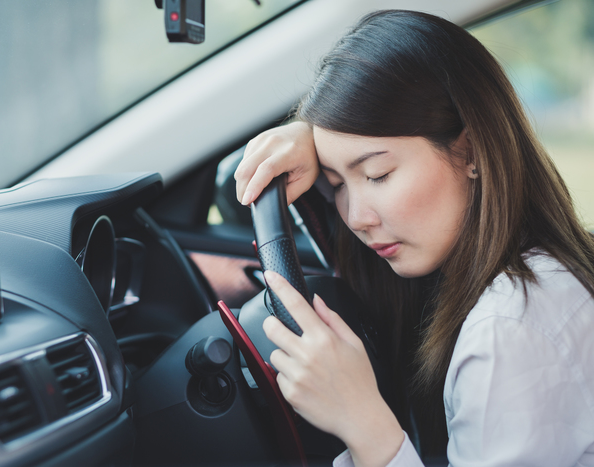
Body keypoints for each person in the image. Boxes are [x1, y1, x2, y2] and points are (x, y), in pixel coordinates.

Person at [234, 9, 594, 467]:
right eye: (337, 184)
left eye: (378, 175)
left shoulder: (510, 328)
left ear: (470, 151)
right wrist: (319, 137)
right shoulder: (541, 275)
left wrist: (364, 424)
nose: (356, 217)